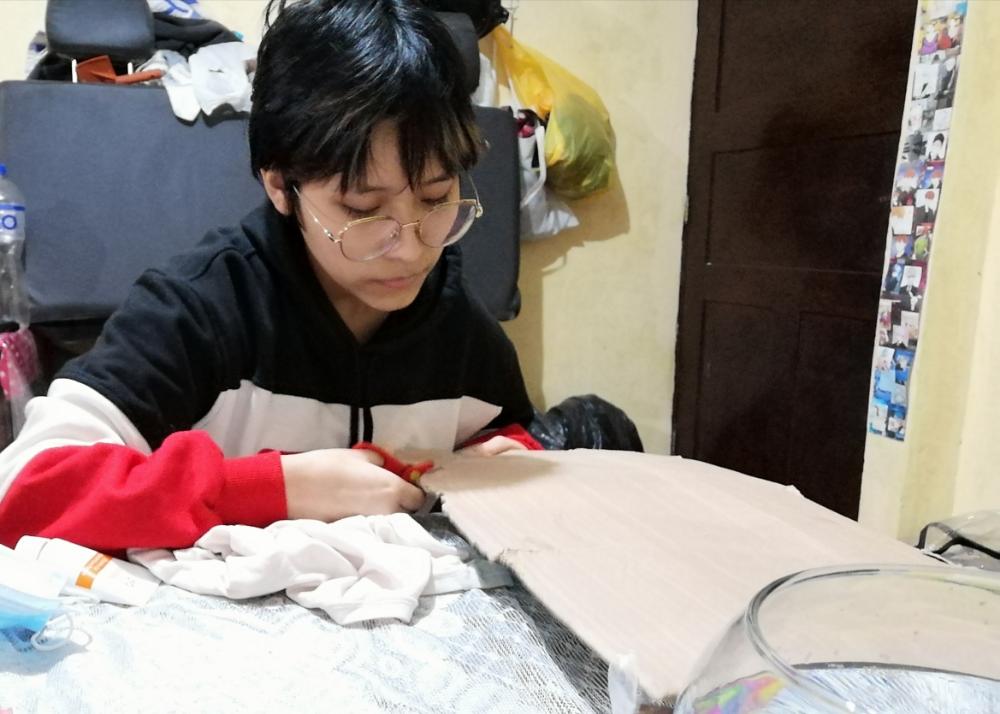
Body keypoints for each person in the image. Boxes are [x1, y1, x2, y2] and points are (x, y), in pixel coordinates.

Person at [0, 0, 540, 552]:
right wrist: (273, 489)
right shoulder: (198, 312)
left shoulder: (453, 319)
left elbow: (511, 433)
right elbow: (22, 494)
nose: (409, 250)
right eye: (362, 209)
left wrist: (501, 459)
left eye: (435, 197)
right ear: (281, 185)